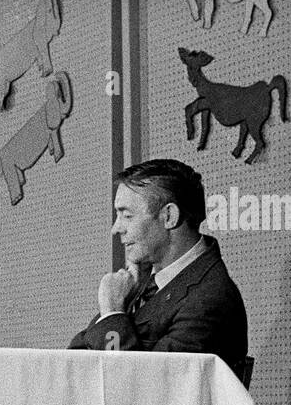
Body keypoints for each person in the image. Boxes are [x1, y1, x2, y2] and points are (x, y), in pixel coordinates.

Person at [68, 159, 248, 371]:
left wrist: (113, 314)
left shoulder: (209, 299)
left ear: (169, 216)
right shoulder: (142, 282)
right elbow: (76, 355)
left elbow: (135, 385)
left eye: (127, 216)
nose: (116, 228)